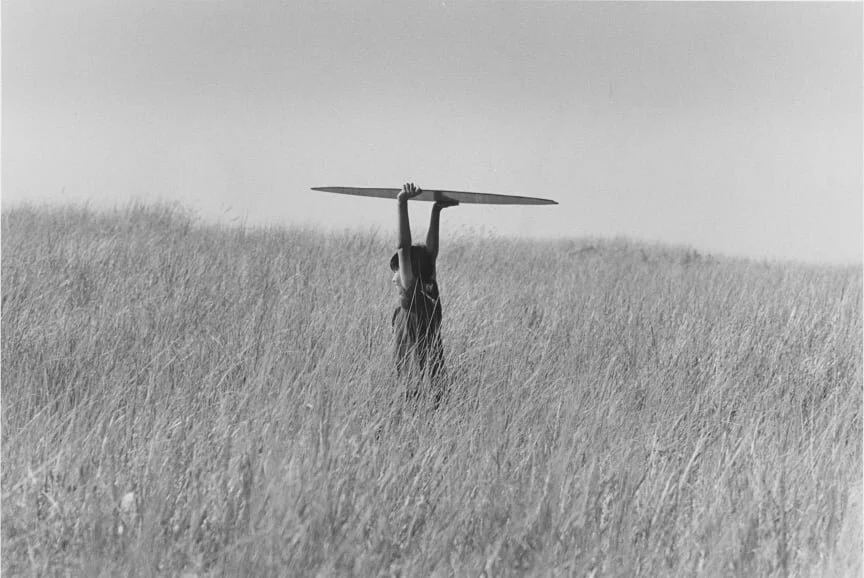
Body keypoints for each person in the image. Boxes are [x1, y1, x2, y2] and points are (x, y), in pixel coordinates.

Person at [390, 182, 458, 407]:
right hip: (436, 384)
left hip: (416, 389)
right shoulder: (430, 294)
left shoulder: (412, 301)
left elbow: (403, 246)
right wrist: (436, 211)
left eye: (398, 271)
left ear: (410, 273)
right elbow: (431, 255)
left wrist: (402, 203)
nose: (394, 278)